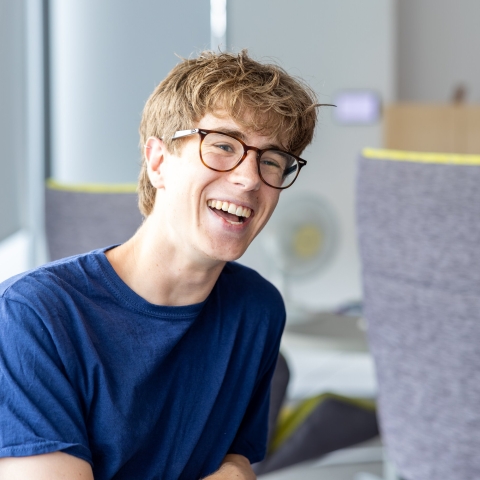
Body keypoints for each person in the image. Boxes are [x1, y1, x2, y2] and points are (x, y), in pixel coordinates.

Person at [0, 50, 320, 480]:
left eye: (271, 160)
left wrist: (236, 470)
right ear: (157, 161)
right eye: (223, 146)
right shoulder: (32, 314)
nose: (249, 178)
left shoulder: (256, 309)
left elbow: (234, 456)